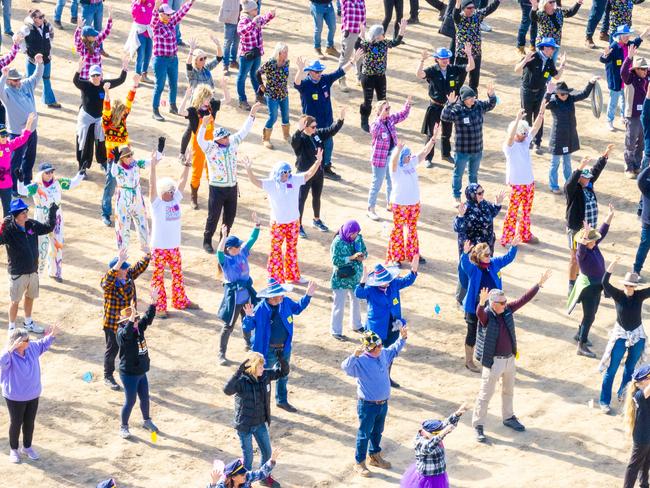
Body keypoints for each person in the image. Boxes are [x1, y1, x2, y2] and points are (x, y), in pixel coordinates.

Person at [472, 271, 550, 443]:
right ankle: (478, 425)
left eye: (506, 301)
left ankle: (508, 417)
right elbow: (479, 314)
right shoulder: (487, 315)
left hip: (509, 360)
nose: (505, 304)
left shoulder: (506, 310)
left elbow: (523, 299)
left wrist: (538, 285)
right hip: (493, 363)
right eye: (502, 302)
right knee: (485, 394)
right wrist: (481, 302)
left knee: (509, 391)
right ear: (493, 304)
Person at [341, 326, 409, 477]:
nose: (379, 348)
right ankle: (359, 462)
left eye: (379, 345)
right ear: (369, 349)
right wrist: (354, 355)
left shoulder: (383, 353)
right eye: (376, 347)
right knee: (364, 434)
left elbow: (394, 350)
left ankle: (375, 456)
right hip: (367, 405)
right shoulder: (360, 362)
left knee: (378, 431)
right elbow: (345, 367)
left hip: (383, 403)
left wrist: (402, 338)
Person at [244, 155, 322, 284]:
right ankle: (276, 278)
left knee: (291, 249)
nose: (286, 175)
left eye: (288, 172)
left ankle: (293, 276)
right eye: (284, 173)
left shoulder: (295, 180)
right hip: (278, 224)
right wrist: (248, 170)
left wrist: (318, 162)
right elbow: (256, 181)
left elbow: (308, 174)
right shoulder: (270, 184)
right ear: (277, 173)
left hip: (293, 222)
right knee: (276, 250)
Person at [242, 278, 316, 413]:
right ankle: (259, 404)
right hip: (267, 349)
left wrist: (308, 295)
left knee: (283, 374)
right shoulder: (260, 309)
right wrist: (248, 316)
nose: (280, 298)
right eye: (276, 296)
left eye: (281, 295)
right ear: (269, 297)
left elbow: (298, 308)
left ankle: (281, 400)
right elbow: (247, 327)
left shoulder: (285, 302)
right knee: (262, 376)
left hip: (284, 347)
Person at [197, 103, 260, 253]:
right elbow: (200, 139)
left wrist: (252, 115)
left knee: (229, 218)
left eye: (227, 136)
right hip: (217, 188)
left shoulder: (232, 143)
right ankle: (207, 240)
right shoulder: (210, 147)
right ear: (218, 139)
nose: (227, 139)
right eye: (224, 137)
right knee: (213, 216)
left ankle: (223, 241)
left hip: (232, 188)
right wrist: (204, 126)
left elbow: (244, 131)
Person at [294, 52, 363, 181]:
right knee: (312, 147)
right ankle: (312, 169)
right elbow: (296, 83)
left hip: (327, 121)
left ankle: (326, 166)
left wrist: (352, 62)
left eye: (320, 71)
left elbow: (339, 72)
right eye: (316, 72)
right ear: (309, 72)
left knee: (328, 145)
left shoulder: (325, 79)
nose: (319, 74)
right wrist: (299, 70)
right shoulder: (306, 85)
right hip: (312, 126)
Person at [223, 352, 286, 486]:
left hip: (260, 423)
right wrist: (237, 373)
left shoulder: (265, 376)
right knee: (248, 459)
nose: (263, 369)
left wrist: (282, 359)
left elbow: (282, 372)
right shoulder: (241, 381)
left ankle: (264, 476)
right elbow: (227, 390)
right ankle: (244, 484)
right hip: (245, 426)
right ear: (253, 367)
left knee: (267, 451)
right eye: (260, 367)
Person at [149, 149, 198, 318]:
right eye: (168, 191)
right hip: (159, 248)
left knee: (178, 275)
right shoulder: (156, 204)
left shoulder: (176, 199)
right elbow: (151, 186)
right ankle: (159, 306)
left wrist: (188, 163)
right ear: (161, 192)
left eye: (172, 190)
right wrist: (153, 168)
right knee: (158, 277)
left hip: (174, 247)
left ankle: (180, 300)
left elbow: (183, 180)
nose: (171, 192)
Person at [16, 161, 85, 282]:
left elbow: (73, 183)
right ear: (41, 173)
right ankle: (37, 275)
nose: (50, 174)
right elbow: (22, 191)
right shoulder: (35, 186)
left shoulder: (58, 183)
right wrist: (20, 180)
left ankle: (55, 272)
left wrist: (80, 174)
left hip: (57, 215)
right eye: (47, 172)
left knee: (57, 243)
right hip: (41, 216)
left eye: (52, 172)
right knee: (41, 247)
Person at [1, 324, 60, 463]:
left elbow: (43, 343)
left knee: (29, 422)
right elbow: (1, 362)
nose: (29, 341)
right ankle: (13, 449)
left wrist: (52, 335)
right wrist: (10, 349)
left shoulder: (32, 347)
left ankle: (27, 447)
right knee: (16, 423)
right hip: (15, 396)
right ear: (18, 343)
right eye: (26, 340)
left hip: (33, 394)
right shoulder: (8, 354)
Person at [598, 258, 650, 414]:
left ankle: (623, 394)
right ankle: (604, 401)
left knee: (630, 369)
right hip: (620, 335)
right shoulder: (618, 295)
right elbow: (604, 283)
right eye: (627, 285)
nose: (629, 288)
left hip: (637, 334)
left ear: (635, 286)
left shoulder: (640, 295)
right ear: (624, 285)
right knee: (612, 369)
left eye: (632, 286)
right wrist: (612, 266)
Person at [355, 259, 417, 387]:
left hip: (393, 325)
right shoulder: (370, 289)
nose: (386, 284)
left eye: (387, 281)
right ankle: (374, 380)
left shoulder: (393, 284)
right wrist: (363, 280)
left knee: (389, 353)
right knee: (374, 355)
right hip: (376, 327)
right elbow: (358, 293)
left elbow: (407, 280)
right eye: (383, 282)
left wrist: (414, 270)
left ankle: (387, 378)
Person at [460, 237, 519, 373]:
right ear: (479, 256)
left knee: (491, 333)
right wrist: (465, 253)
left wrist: (514, 246)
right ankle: (469, 361)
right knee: (472, 332)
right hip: (475, 307)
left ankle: (489, 358)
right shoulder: (473, 269)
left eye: (490, 253)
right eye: (486, 254)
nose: (489, 256)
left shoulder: (494, 264)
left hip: (492, 308)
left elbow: (507, 258)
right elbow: (464, 265)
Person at [0, 198, 57, 334]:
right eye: (22, 212)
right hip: (18, 272)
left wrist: (52, 212)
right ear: (15, 215)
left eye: (26, 211)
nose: (26, 214)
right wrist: (2, 226)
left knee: (30, 297)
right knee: (15, 301)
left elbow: (48, 227)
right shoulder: (9, 230)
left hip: (33, 270)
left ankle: (28, 322)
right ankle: (12, 327)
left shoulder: (31, 224)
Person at [567, 206, 614, 358]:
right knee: (590, 316)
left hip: (597, 286)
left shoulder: (593, 247)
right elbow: (580, 249)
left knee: (592, 313)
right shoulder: (583, 254)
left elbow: (603, 231)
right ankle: (581, 344)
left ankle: (580, 334)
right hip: (589, 289)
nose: (595, 241)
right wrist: (585, 237)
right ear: (586, 242)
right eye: (591, 240)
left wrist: (609, 216)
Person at [101, 248, 150, 391]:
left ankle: (128, 370)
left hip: (130, 321)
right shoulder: (109, 285)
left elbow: (138, 268)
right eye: (123, 267)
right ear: (116, 271)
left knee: (131, 348)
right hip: (113, 324)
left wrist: (148, 255)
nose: (127, 268)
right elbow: (106, 281)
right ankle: (107, 376)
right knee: (112, 350)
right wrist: (118, 264)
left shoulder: (128, 276)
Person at [291, 108, 345, 238]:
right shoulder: (301, 139)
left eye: (316, 126)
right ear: (306, 127)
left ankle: (316, 219)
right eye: (313, 126)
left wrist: (340, 120)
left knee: (317, 196)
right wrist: (299, 129)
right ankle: (298, 225)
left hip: (318, 172)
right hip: (304, 174)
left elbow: (331, 130)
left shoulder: (317, 134)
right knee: (301, 200)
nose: (316, 128)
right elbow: (294, 142)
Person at [416, 45, 474, 167]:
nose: (445, 60)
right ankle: (428, 157)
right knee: (431, 133)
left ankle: (446, 154)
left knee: (447, 132)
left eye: (447, 58)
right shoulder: (432, 70)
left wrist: (469, 54)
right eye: (443, 58)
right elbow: (420, 74)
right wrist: (422, 60)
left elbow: (471, 67)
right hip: (435, 106)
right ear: (437, 59)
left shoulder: (453, 69)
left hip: (449, 106)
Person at [565, 146, 611, 293]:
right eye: (586, 178)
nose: (589, 180)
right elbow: (568, 184)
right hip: (576, 230)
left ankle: (583, 280)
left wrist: (604, 157)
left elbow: (595, 172)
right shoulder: (573, 190)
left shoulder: (588, 185)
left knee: (588, 255)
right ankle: (572, 284)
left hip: (590, 229)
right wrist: (580, 167)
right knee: (575, 258)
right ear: (580, 178)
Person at [440, 83, 497, 201]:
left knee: (473, 175)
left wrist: (491, 96)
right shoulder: (457, 109)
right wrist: (449, 104)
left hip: (477, 149)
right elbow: (445, 117)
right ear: (464, 99)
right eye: (470, 97)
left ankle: (474, 195)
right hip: (462, 151)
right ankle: (457, 196)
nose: (473, 99)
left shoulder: (478, 105)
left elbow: (490, 105)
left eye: (474, 97)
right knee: (458, 174)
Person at [116, 292, 159, 439]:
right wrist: (130, 320)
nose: (137, 321)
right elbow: (127, 335)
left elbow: (148, 318)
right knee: (131, 400)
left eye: (136, 319)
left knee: (145, 398)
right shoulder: (121, 332)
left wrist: (153, 303)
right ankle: (123, 427)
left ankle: (147, 421)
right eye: (134, 319)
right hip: (128, 373)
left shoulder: (138, 327)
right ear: (125, 321)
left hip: (141, 370)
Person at [500, 106, 546, 246]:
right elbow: (510, 137)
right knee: (512, 212)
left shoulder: (525, 141)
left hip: (529, 184)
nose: (526, 136)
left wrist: (542, 109)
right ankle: (508, 238)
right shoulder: (508, 146)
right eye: (523, 134)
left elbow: (536, 127)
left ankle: (525, 234)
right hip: (515, 185)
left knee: (526, 211)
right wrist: (517, 119)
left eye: (526, 134)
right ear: (516, 134)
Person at [216, 219, 260, 364]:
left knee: (247, 320)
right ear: (230, 248)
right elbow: (218, 252)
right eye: (237, 246)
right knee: (228, 326)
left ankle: (248, 344)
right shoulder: (226, 261)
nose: (240, 247)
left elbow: (252, 240)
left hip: (246, 295)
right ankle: (221, 354)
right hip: (234, 297)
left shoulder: (242, 253)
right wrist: (223, 237)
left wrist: (257, 226)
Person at [386, 138, 436, 265]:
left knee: (412, 229)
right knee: (398, 230)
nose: (409, 158)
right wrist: (398, 149)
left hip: (414, 204)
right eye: (406, 156)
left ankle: (413, 254)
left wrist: (433, 139)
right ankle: (396, 258)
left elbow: (424, 152)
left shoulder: (411, 163)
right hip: (399, 204)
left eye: (409, 155)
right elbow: (393, 161)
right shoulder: (395, 169)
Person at [545, 77, 599, 193]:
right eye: (561, 94)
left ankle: (569, 184)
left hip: (569, 136)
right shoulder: (553, 102)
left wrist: (591, 82)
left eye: (565, 93)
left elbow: (584, 94)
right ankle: (553, 185)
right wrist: (548, 93)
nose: (564, 96)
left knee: (567, 163)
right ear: (557, 94)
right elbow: (544, 105)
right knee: (555, 163)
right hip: (557, 137)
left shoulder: (570, 99)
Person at [73, 58, 127, 174]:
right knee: (84, 143)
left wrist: (125, 68)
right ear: (89, 76)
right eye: (93, 75)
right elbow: (75, 81)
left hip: (99, 118)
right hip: (86, 118)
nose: (95, 77)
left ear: (101, 75)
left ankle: (103, 162)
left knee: (101, 141)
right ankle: (82, 166)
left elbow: (121, 80)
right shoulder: (85, 85)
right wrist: (79, 69)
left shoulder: (104, 85)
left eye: (98, 75)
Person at [454, 183, 503, 308]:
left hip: (486, 247)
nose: (482, 195)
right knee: (467, 272)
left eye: (483, 192)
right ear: (472, 195)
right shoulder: (465, 207)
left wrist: (497, 204)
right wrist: (460, 215)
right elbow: (457, 227)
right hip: (472, 249)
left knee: (484, 271)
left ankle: (482, 299)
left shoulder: (484, 204)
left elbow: (491, 212)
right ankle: (460, 298)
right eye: (479, 193)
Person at [101, 73, 139, 226]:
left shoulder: (123, 119)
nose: (125, 112)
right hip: (113, 159)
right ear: (117, 112)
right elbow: (106, 107)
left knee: (129, 186)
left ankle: (128, 213)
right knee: (110, 186)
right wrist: (107, 93)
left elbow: (129, 102)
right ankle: (106, 213)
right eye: (122, 111)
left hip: (127, 157)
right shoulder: (107, 123)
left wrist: (134, 86)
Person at [0, 56, 43, 191]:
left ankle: (26, 182)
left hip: (32, 130)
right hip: (17, 133)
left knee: (30, 158)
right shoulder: (6, 93)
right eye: (15, 80)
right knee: (15, 162)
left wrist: (40, 63)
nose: (18, 81)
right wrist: (3, 76)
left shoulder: (25, 84)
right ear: (8, 81)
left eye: (19, 78)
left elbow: (37, 76)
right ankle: (13, 188)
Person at [514, 37, 564, 154]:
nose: (553, 50)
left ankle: (537, 143)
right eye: (552, 48)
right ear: (545, 48)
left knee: (539, 116)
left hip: (541, 91)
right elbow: (516, 69)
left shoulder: (550, 60)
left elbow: (556, 76)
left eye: (553, 48)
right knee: (527, 116)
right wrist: (525, 60)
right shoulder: (533, 56)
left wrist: (562, 65)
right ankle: (527, 141)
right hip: (527, 91)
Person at [400, 403, 468, 487]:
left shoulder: (433, 435)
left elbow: (447, 424)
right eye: (436, 433)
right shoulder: (420, 442)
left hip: (439, 473)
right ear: (423, 432)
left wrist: (457, 414)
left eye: (439, 432)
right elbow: (429, 446)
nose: (438, 434)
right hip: (427, 478)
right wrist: (442, 433)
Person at [177, 85, 222, 210]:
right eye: (207, 98)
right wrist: (186, 96)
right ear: (201, 98)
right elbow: (180, 111)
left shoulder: (211, 107)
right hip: (198, 147)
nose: (210, 100)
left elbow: (226, 100)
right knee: (196, 173)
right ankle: (194, 197)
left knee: (212, 172)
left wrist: (224, 87)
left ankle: (214, 196)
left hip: (211, 146)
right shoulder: (193, 111)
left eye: (210, 97)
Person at [357, 21, 407, 132]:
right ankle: (364, 121)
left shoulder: (384, 43)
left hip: (380, 77)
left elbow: (396, 42)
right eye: (382, 33)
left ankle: (384, 120)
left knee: (383, 100)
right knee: (367, 101)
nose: (384, 34)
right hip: (368, 77)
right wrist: (362, 34)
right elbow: (358, 46)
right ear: (377, 35)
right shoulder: (367, 44)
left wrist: (402, 30)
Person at [151, 0, 196, 121]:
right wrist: (156, 7)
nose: (170, 16)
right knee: (159, 85)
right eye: (168, 14)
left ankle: (172, 106)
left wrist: (190, 2)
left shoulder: (171, 22)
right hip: (160, 60)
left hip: (172, 59)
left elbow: (181, 12)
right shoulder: (156, 25)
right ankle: (155, 110)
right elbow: (154, 19)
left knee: (173, 84)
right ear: (162, 14)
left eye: (171, 14)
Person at [367, 98, 411, 220]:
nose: (389, 110)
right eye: (386, 109)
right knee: (377, 183)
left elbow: (402, 115)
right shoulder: (376, 123)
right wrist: (380, 116)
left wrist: (407, 105)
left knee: (391, 181)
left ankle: (389, 204)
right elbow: (373, 131)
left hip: (391, 157)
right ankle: (370, 208)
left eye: (389, 108)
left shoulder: (390, 119)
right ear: (380, 111)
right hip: (380, 159)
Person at [599, 25, 646, 132]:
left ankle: (623, 117)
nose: (627, 37)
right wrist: (605, 55)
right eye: (625, 35)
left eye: (628, 35)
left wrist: (644, 34)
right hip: (616, 81)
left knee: (625, 100)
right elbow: (603, 60)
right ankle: (609, 121)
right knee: (613, 102)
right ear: (619, 36)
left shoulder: (629, 45)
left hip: (627, 79)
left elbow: (637, 42)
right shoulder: (614, 47)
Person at [113, 145, 156, 251]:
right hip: (123, 200)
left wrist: (159, 151)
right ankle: (123, 253)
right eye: (128, 156)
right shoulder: (118, 168)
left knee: (142, 222)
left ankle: (145, 247)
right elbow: (113, 173)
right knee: (123, 226)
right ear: (122, 158)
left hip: (137, 197)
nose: (131, 157)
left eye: (131, 154)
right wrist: (114, 162)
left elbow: (151, 162)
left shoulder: (136, 164)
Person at [330, 220, 367, 340]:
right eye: (353, 233)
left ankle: (356, 325)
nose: (355, 235)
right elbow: (335, 260)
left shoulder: (358, 238)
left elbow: (365, 252)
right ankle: (336, 331)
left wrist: (362, 257)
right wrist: (352, 257)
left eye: (356, 233)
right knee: (339, 305)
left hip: (355, 277)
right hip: (341, 279)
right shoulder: (337, 242)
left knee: (356, 301)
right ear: (347, 232)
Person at [452, 0, 500, 91]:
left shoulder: (477, 15)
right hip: (463, 54)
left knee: (474, 81)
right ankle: (455, 100)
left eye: (473, 7)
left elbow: (489, 9)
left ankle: (474, 99)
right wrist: (457, 4)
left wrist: (497, 1)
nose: (472, 10)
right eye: (469, 8)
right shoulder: (460, 18)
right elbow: (455, 15)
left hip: (476, 53)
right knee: (459, 80)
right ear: (463, 9)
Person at [236, 1, 275, 110]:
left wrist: (270, 15)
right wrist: (253, 23)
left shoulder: (255, 18)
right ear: (249, 10)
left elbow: (263, 20)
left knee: (254, 74)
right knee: (242, 77)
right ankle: (242, 100)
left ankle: (259, 95)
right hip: (246, 55)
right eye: (255, 9)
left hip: (256, 53)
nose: (257, 10)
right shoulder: (243, 20)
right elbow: (241, 31)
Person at [21, 9, 60, 109]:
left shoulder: (47, 25)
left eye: (43, 15)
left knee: (46, 79)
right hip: (32, 61)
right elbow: (18, 37)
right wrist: (25, 51)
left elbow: (51, 34)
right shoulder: (27, 28)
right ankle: (27, 105)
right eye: (40, 17)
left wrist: (49, 46)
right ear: (34, 19)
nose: (43, 18)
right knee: (29, 83)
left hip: (46, 59)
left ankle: (50, 101)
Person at [621, 45, 649, 177]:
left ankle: (637, 165)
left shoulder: (646, 76)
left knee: (642, 142)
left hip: (644, 115)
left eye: (646, 69)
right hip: (632, 115)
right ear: (636, 69)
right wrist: (629, 58)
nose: (645, 71)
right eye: (643, 69)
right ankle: (628, 167)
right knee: (630, 142)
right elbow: (623, 72)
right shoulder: (630, 78)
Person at [256, 42, 290, 149]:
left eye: (287, 52)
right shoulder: (270, 63)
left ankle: (286, 135)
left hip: (283, 93)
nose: (286, 54)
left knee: (286, 115)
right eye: (285, 52)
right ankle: (266, 139)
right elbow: (258, 73)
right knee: (273, 117)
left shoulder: (287, 63)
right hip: (271, 94)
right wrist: (261, 85)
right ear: (279, 53)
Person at [0, 114, 33, 215]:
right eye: (2, 136)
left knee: (7, 210)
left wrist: (29, 123)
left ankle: (6, 230)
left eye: (6, 135)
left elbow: (23, 138)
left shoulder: (9, 146)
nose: (5, 138)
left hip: (6, 183)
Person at [623, 364, 650, 488]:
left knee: (646, 462)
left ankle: (644, 484)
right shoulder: (639, 395)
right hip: (643, 437)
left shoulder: (643, 392)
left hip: (647, 434)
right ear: (644, 380)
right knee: (634, 466)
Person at [337, 0, 365, 93]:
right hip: (349, 33)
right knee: (345, 57)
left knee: (360, 56)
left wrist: (363, 32)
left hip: (360, 33)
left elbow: (363, 15)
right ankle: (341, 78)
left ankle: (360, 78)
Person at [208, 452, 280, 488]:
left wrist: (272, 461)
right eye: (242, 474)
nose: (245, 475)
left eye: (245, 472)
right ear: (233, 477)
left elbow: (262, 473)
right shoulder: (223, 485)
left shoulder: (247, 477)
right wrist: (213, 483)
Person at [74, 14, 112, 80]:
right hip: (85, 77)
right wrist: (79, 28)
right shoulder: (82, 46)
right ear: (87, 37)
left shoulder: (97, 41)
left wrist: (109, 20)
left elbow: (106, 32)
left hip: (97, 76)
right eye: (93, 36)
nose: (95, 36)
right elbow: (77, 41)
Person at [125, 0, 155, 84]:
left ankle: (144, 75)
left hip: (148, 31)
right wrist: (138, 3)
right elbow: (134, 15)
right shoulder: (135, 3)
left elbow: (155, 9)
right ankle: (137, 77)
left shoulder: (151, 1)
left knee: (148, 54)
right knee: (141, 55)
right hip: (140, 32)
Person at [218, 0, 241, 76]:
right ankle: (225, 65)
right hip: (230, 18)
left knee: (236, 42)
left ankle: (233, 61)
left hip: (240, 19)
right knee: (227, 43)